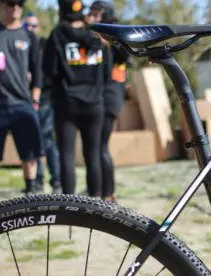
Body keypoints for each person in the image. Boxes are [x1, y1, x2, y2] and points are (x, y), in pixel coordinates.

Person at [0, 0, 43, 208]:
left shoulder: (29, 36)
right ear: (0, 6)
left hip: (22, 103)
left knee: (30, 152)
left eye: (18, 4)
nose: (14, 8)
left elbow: (37, 72)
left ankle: (30, 192)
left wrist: (35, 99)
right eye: (10, 4)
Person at [43, 0, 110, 197]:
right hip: (95, 103)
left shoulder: (57, 35)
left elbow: (49, 70)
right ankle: (96, 202)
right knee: (93, 155)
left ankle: (69, 203)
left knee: (67, 155)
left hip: (67, 103)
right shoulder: (97, 35)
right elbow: (107, 72)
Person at [86, 1, 127, 202]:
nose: (92, 15)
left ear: (106, 14)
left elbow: (124, 56)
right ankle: (104, 192)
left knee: (100, 146)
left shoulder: (116, 36)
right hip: (104, 98)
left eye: (96, 12)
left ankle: (108, 193)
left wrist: (105, 42)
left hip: (108, 99)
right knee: (99, 147)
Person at [23, 11, 61, 194]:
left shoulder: (45, 45)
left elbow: (54, 72)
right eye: (26, 26)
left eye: (33, 25)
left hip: (45, 100)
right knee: (32, 143)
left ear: (38, 27)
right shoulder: (20, 46)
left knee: (47, 142)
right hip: (24, 101)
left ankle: (56, 180)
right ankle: (37, 181)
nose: (30, 29)